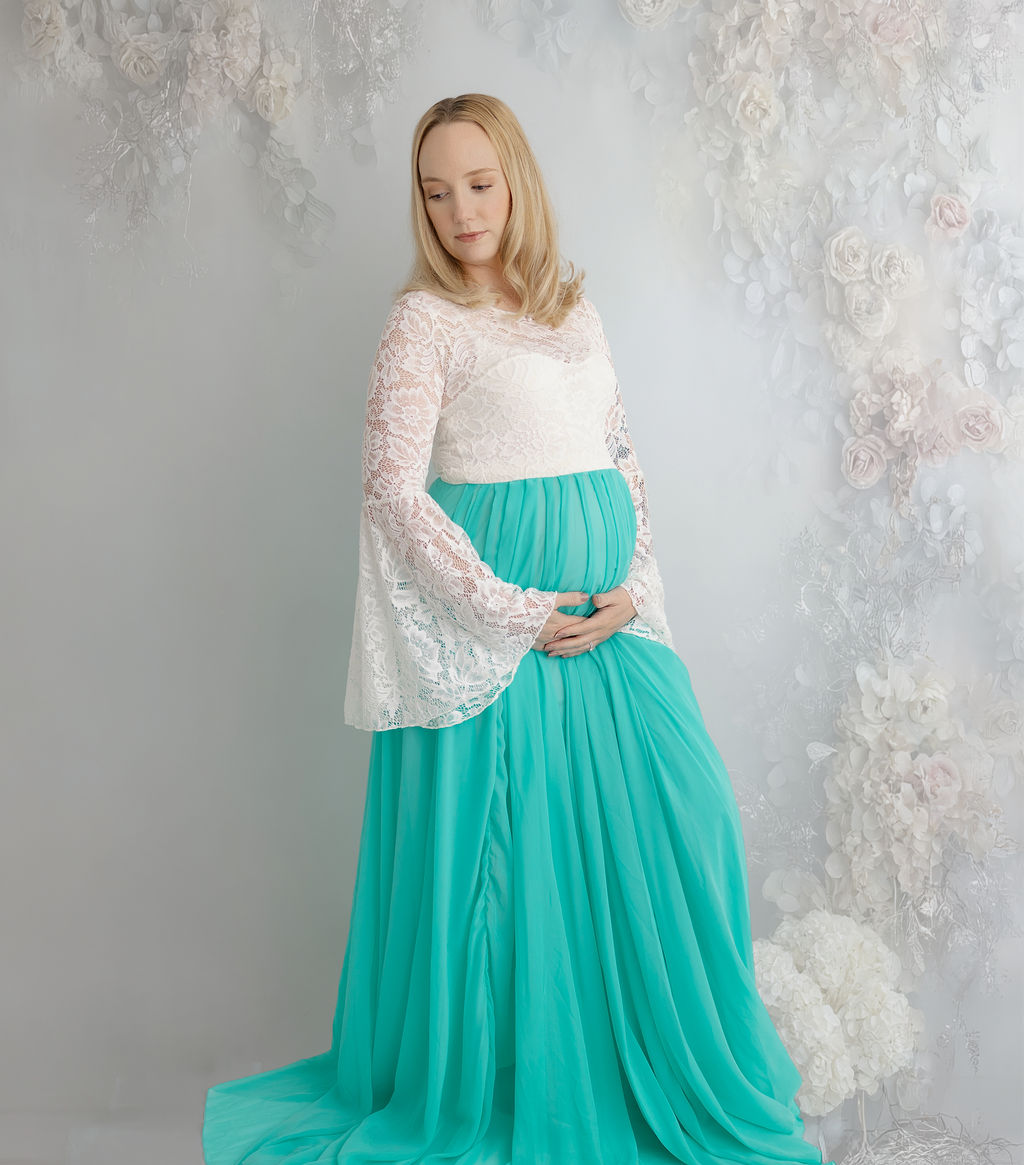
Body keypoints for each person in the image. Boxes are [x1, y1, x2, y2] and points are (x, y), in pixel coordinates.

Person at [202, 93, 834, 1165]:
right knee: (516, 882)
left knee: (686, 825)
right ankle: (529, 1096)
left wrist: (630, 584)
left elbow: (621, 457)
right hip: (502, 645)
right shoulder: (421, 322)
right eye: (437, 191)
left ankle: (656, 1073)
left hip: (606, 626)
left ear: (517, 182)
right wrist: (514, 610)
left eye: (479, 185)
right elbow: (394, 495)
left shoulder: (573, 308)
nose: (460, 211)